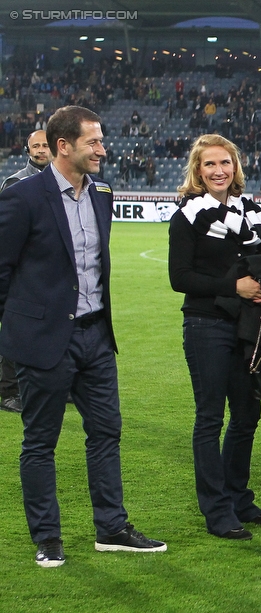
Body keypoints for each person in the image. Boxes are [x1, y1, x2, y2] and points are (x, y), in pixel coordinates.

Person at [0, 105, 166, 567]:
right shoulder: (23, 197)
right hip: (45, 340)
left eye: (101, 140)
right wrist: (16, 334)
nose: (102, 149)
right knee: (40, 442)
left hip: (96, 337)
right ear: (63, 146)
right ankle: (48, 537)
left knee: (106, 433)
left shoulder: (102, 194)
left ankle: (111, 527)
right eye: (93, 141)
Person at [168, 134, 261, 541]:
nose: (219, 171)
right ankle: (216, 509)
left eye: (225, 163)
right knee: (210, 418)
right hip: (206, 325)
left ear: (236, 168)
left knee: (247, 414)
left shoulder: (251, 212)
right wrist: (237, 288)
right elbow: (180, 278)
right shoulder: (187, 217)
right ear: (198, 171)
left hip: (247, 326)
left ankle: (238, 498)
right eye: (210, 164)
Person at [1, 129, 52, 414]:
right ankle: (9, 391)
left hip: (49, 271)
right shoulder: (16, 182)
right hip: (20, 270)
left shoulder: (63, 181)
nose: (41, 150)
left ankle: (56, 386)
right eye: (36, 146)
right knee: (15, 328)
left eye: (45, 145)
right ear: (27, 150)